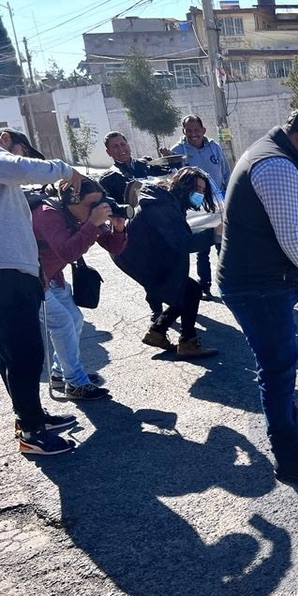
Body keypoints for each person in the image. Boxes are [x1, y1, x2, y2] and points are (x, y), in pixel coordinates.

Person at [218, 106, 298, 485]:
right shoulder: (276, 165)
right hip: (255, 285)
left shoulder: (276, 156)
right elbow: (290, 236)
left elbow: (297, 224)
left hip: (264, 281)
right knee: (276, 368)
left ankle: (292, 428)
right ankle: (287, 456)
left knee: (283, 359)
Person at [0, 128, 85, 455]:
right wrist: (67, 169)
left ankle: (30, 419)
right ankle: (33, 434)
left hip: (13, 270)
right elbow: (20, 167)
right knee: (25, 354)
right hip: (7, 276)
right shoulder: (6, 163)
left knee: (13, 355)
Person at [32, 179, 128, 401]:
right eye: (91, 205)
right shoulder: (48, 214)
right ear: (71, 202)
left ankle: (60, 373)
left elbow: (114, 247)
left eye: (99, 204)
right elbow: (68, 252)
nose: (96, 210)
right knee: (63, 323)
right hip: (29, 278)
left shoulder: (84, 215)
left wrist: (118, 228)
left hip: (52, 276)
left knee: (74, 320)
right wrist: (92, 224)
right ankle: (75, 383)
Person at [113, 166, 219, 360]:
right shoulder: (162, 206)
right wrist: (215, 234)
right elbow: (182, 242)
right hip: (137, 257)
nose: (200, 195)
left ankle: (158, 332)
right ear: (183, 186)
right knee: (187, 290)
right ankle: (187, 342)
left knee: (183, 289)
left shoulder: (167, 201)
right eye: (197, 189)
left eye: (203, 191)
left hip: (139, 255)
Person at [99, 131, 172, 320]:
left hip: (158, 224)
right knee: (147, 269)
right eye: (115, 146)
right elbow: (110, 205)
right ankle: (156, 308)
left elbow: (168, 174)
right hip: (135, 230)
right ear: (108, 152)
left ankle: (176, 299)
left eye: (123, 144)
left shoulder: (144, 164)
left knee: (166, 263)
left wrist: (169, 160)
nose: (121, 149)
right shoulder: (109, 177)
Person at [162, 115, 231, 299]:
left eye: (196, 130)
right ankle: (205, 285)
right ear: (183, 131)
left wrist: (229, 194)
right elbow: (174, 179)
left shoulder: (214, 147)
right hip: (197, 206)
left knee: (223, 245)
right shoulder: (178, 151)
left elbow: (225, 171)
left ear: (203, 130)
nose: (193, 134)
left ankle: (228, 281)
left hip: (219, 203)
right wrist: (169, 161)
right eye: (189, 130)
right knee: (203, 248)